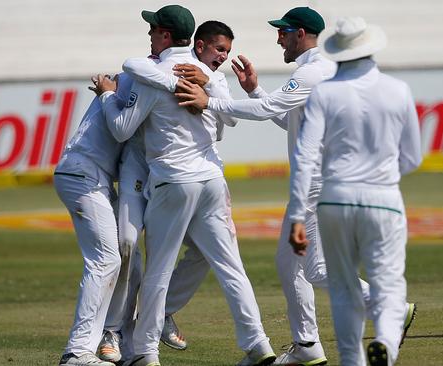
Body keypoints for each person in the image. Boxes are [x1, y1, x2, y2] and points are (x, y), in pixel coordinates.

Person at [175, 7, 416, 365]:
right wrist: (255, 91)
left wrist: (211, 99)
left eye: (283, 32)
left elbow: (270, 108)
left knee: (307, 266)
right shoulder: (318, 72)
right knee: (298, 266)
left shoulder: (312, 72)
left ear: (300, 34)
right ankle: (309, 345)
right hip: (324, 183)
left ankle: (376, 309)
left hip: (318, 185)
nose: (278, 38)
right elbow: (290, 122)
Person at [94, 5, 275, 366]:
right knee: (231, 267)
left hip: (174, 180)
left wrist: (106, 96)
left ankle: (144, 351)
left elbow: (121, 128)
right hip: (212, 179)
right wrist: (204, 83)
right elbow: (227, 121)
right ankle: (258, 345)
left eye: (153, 30)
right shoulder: (208, 75)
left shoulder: (154, 73)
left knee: (159, 270)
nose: (149, 35)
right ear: (194, 41)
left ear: (165, 35)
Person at [286, 17, 421, 366]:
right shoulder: (398, 90)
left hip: (333, 199)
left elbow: (305, 155)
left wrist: (298, 215)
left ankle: (352, 359)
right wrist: (381, 177)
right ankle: (386, 346)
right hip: (383, 199)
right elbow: (413, 158)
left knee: (344, 290)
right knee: (388, 285)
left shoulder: (324, 93)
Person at [54, 72, 138, 366]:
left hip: (92, 175)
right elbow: (122, 131)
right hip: (83, 174)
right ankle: (77, 351)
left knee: (127, 254)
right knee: (105, 259)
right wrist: (106, 95)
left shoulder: (133, 79)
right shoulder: (138, 79)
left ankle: (114, 340)